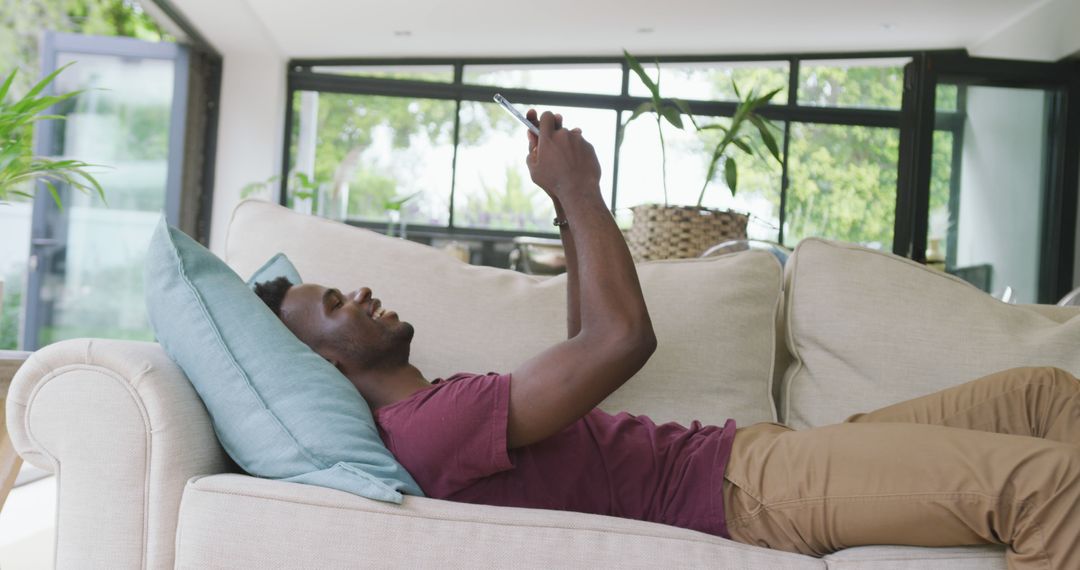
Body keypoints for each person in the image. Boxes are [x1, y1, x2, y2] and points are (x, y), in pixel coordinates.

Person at [255, 110, 1080, 568]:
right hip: (751, 491)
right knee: (1053, 486)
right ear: (324, 360)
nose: (357, 292)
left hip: (765, 458)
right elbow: (621, 340)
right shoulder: (429, 425)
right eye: (333, 302)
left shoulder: (444, 409)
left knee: (1045, 395)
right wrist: (580, 187)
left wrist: (565, 212)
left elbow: (587, 338)